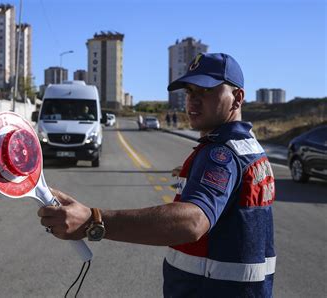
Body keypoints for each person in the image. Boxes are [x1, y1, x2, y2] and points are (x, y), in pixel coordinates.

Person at [38, 53, 276, 297]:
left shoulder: (221, 153)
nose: (193, 101)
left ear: (237, 98)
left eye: (205, 91)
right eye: (190, 92)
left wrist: (94, 221)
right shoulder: (249, 147)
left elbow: (192, 221)